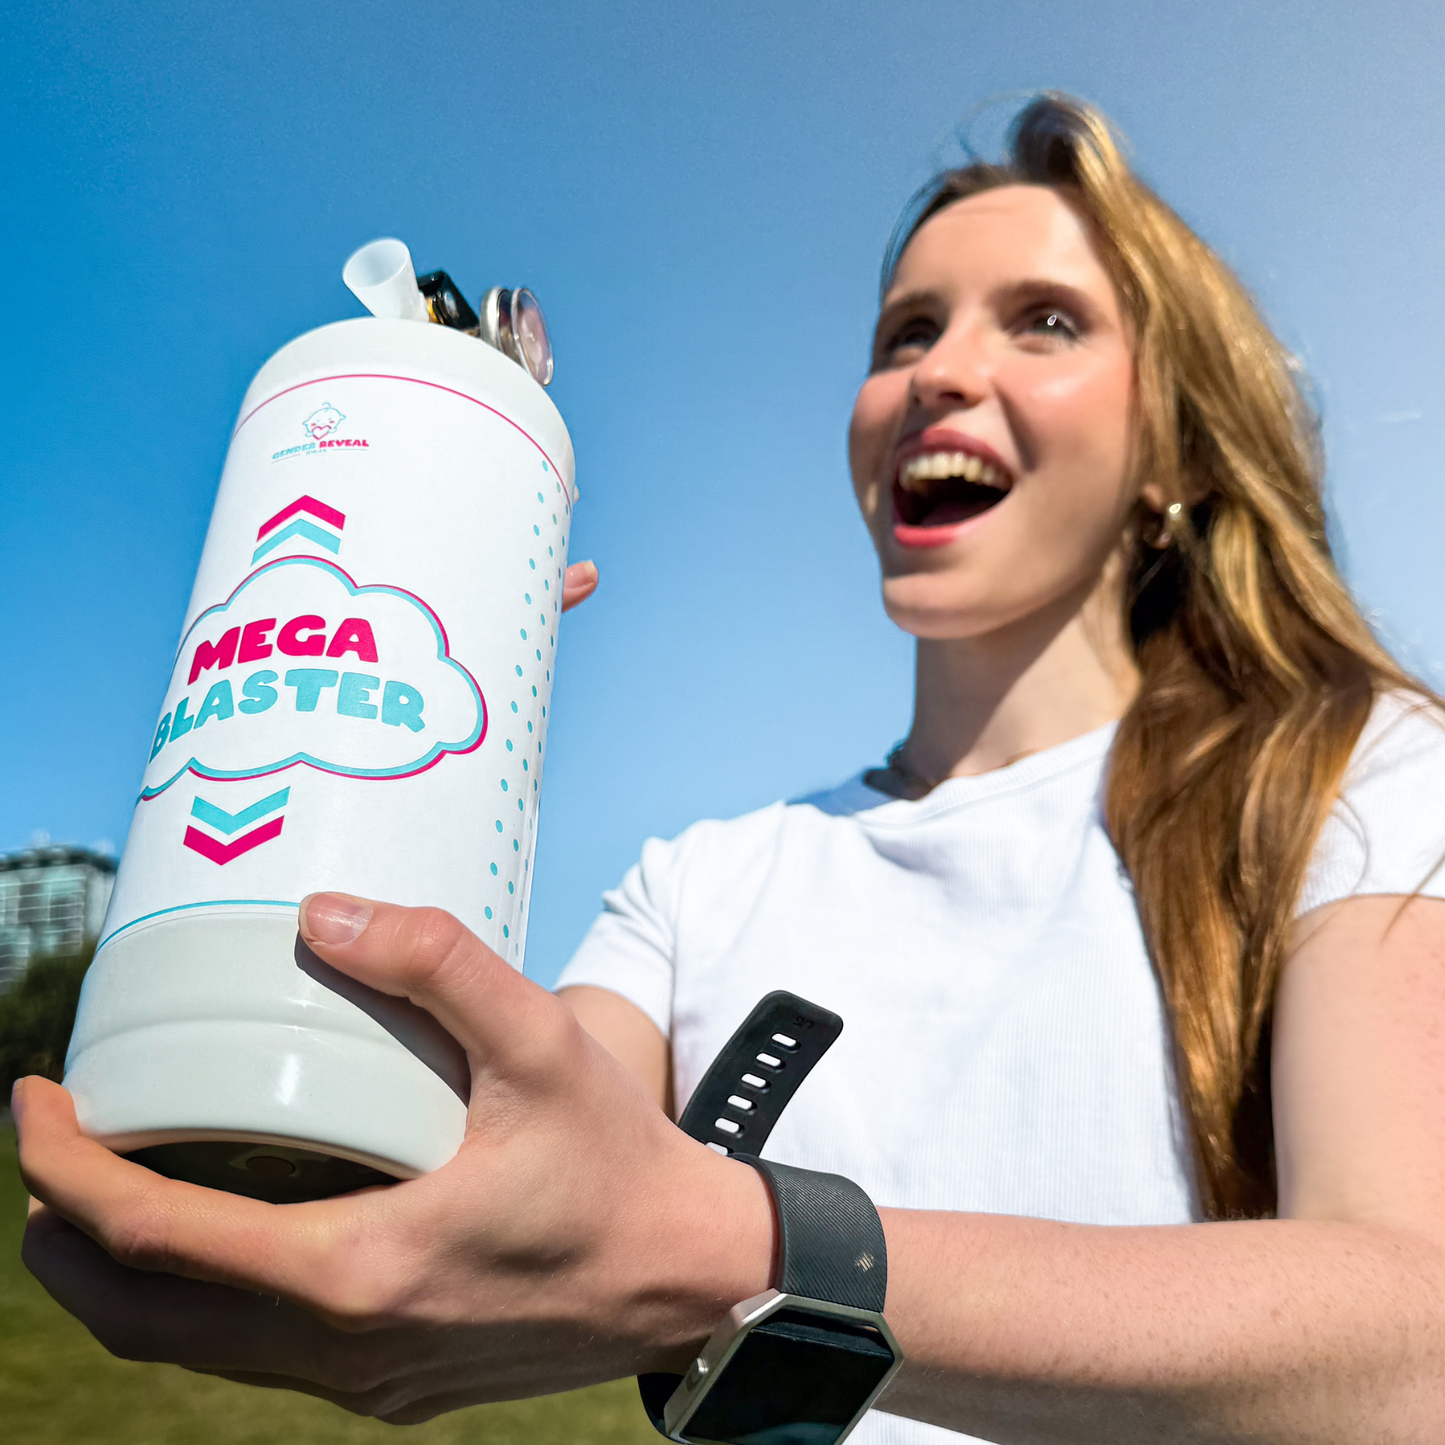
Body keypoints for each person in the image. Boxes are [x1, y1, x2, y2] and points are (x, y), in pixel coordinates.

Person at [16, 92, 1445, 1443]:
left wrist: (739, 1254)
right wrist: (444, 739)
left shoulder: (1350, 775)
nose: (939, 372)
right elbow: (467, 1157)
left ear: (1173, 450)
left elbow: (1415, 1348)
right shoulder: (699, 886)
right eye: (905, 335)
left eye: (1047, 322)